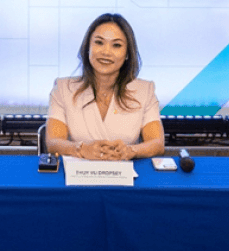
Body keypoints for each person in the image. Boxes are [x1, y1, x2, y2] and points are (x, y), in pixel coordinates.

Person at [46, 13, 165, 160]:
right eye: (99, 42)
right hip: (77, 175)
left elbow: (157, 143)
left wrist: (130, 151)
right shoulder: (63, 88)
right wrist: (81, 149)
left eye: (116, 45)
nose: (106, 52)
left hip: (127, 176)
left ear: (127, 53)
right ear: (88, 47)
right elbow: (53, 142)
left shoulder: (145, 90)